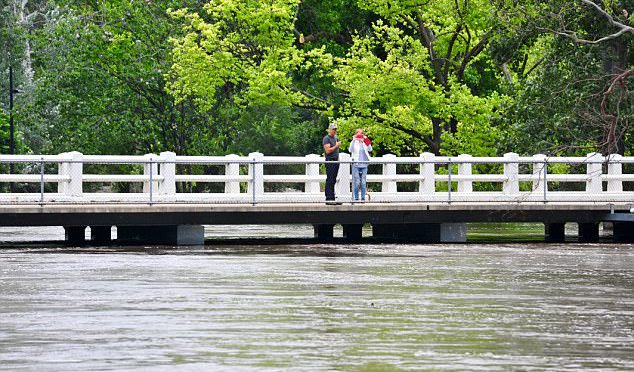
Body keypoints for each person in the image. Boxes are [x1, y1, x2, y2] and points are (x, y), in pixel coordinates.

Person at [349, 128, 372, 201]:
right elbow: (350, 150)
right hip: (356, 164)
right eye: (358, 134)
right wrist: (353, 140)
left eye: (361, 134)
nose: (359, 136)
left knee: (363, 182)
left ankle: (362, 198)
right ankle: (356, 197)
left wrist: (366, 139)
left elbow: (370, 149)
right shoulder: (354, 142)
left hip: (364, 164)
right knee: (357, 181)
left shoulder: (365, 142)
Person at [322, 123, 341, 204]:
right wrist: (336, 146)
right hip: (330, 160)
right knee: (330, 179)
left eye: (335, 129)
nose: (334, 131)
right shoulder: (326, 138)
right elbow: (328, 151)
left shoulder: (336, 138)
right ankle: (328, 198)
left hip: (336, 160)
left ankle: (332, 198)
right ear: (329, 129)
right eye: (333, 129)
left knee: (333, 179)